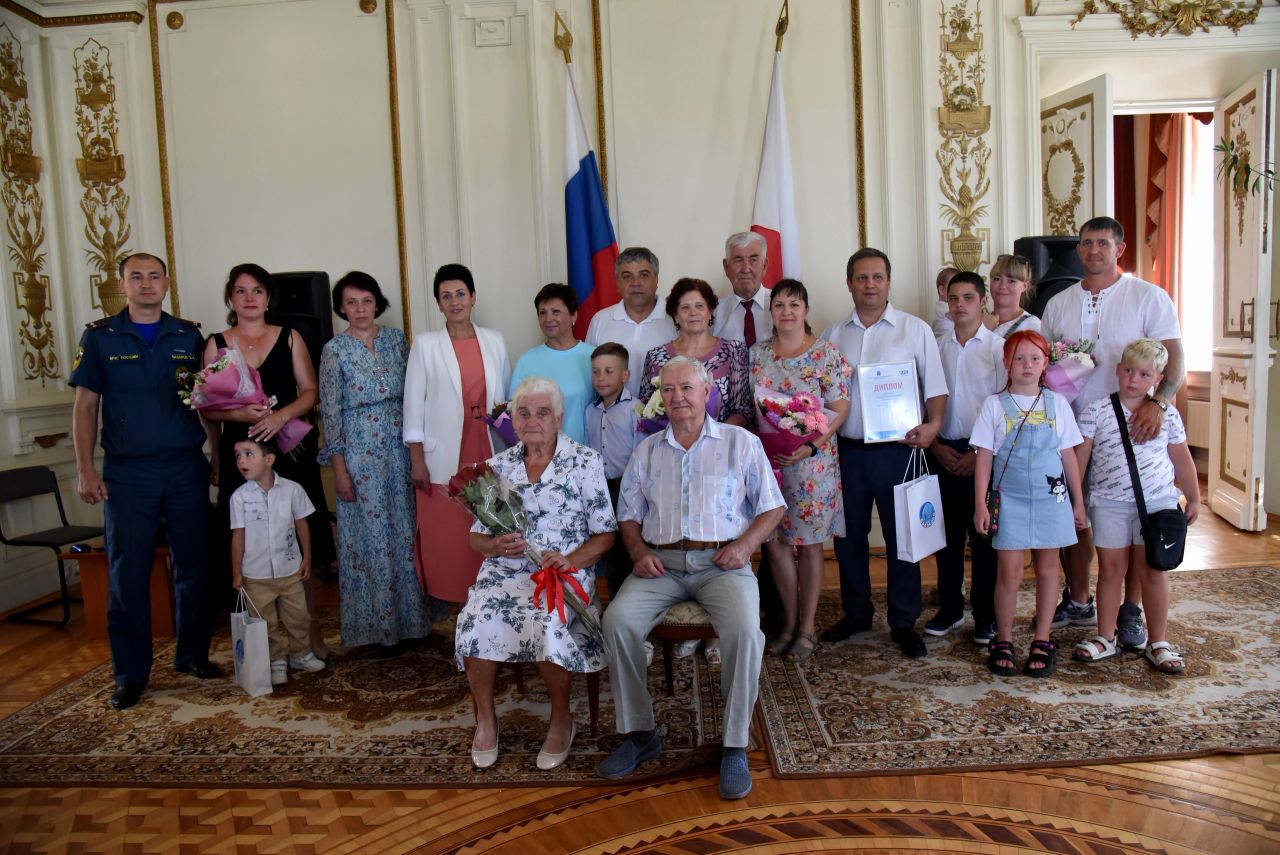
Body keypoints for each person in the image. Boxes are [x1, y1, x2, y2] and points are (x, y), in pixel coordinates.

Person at [598, 357, 785, 800]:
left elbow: (773, 506)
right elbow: (627, 515)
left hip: (723, 563)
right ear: (660, 397)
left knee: (744, 630)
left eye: (687, 388)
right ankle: (641, 734)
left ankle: (735, 744)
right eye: (669, 390)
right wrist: (639, 551)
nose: (677, 397)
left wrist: (743, 547)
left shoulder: (741, 443)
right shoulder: (646, 452)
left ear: (707, 392)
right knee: (617, 622)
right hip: (659, 564)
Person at [70, 252, 221, 711]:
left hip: (183, 466)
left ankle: (192, 655)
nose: (147, 284)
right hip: (128, 472)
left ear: (167, 282)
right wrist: (85, 468)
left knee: (194, 568)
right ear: (122, 284)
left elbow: (204, 400)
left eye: (154, 276)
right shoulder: (101, 338)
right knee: (127, 574)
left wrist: (213, 451)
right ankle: (131, 673)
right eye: (136, 277)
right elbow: (85, 407)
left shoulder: (188, 335)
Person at [457, 377, 616, 771]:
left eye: (542, 412)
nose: (533, 421)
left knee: (547, 617)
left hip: (561, 572)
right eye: (523, 413)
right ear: (511, 419)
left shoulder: (584, 462)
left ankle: (562, 718)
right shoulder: (497, 467)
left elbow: (606, 534)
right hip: (503, 572)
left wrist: (571, 560)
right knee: (477, 617)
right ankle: (486, 719)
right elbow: (476, 537)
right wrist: (494, 547)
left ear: (559, 418)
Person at [1041, 217, 1184, 648]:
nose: (1093, 251)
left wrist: (1160, 403)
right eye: (1086, 243)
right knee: (1078, 513)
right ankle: (1080, 598)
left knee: (1135, 520)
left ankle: (1131, 610)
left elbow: (1173, 357)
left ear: (1119, 249)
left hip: (1133, 428)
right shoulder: (1059, 303)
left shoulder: (1147, 297)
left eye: (1103, 243)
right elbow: (1047, 364)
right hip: (1075, 427)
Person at [819, 248, 948, 659]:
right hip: (848, 453)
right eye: (861, 277)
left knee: (902, 537)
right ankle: (856, 613)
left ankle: (903, 620)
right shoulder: (831, 335)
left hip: (900, 451)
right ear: (849, 283)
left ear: (888, 282)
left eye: (877, 277)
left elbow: (936, 388)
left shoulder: (914, 330)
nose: (870, 284)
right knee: (849, 537)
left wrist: (934, 426)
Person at [203, 263, 334, 658]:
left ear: (268, 297)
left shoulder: (290, 337)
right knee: (248, 542)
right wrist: (237, 418)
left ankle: (308, 637)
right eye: (241, 291)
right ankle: (262, 645)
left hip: (288, 452)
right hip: (240, 456)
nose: (249, 298)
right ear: (230, 298)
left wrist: (281, 415)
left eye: (257, 291)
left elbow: (311, 392)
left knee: (296, 537)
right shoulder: (216, 344)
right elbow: (207, 407)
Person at [318, 272, 436, 651]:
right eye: (351, 302)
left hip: (400, 449)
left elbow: (416, 392)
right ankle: (378, 629)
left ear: (376, 303)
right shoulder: (334, 350)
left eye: (366, 301)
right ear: (341, 307)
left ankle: (413, 624)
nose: (360, 309)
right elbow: (331, 413)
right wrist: (339, 469)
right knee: (370, 539)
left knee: (404, 532)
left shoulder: (396, 340)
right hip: (359, 453)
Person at [1072, 339, 1200, 672]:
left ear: (1157, 379)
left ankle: (1158, 641)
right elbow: (1080, 458)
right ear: (1117, 370)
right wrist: (1077, 502)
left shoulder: (1167, 414)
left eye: (1144, 374)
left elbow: (1181, 457)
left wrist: (1194, 494)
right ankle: (1105, 636)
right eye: (1128, 370)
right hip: (1109, 503)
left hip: (1156, 505)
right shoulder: (1097, 411)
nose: (1133, 379)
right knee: (1110, 570)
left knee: (1152, 572)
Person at [972, 331, 1086, 678]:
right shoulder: (994, 405)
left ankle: (1042, 638)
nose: (1027, 365)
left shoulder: (1057, 404)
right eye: (1019, 358)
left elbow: (1068, 456)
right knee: (1009, 571)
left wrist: (1078, 502)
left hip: (1052, 500)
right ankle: (1003, 639)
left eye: (1034, 358)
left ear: (1045, 364)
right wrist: (981, 503)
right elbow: (985, 458)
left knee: (1049, 568)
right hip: (1011, 500)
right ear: (1007, 363)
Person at [749, 279, 851, 662]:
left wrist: (810, 445)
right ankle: (789, 624)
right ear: (771, 312)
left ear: (806, 310)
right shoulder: (757, 355)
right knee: (774, 545)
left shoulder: (826, 354)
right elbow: (756, 406)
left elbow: (839, 409)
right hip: (770, 465)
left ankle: (807, 628)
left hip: (813, 464)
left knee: (809, 547)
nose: (787, 311)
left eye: (794, 304)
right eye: (779, 305)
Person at [403, 263, 510, 603]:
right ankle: (455, 604)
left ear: (473, 297)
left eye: (460, 294)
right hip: (444, 453)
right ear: (438, 304)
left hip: (489, 444)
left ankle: (489, 601)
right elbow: (413, 406)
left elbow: (504, 398)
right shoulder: (426, 344)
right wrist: (416, 459)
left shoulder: (494, 340)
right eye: (446, 296)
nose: (454, 302)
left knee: (490, 523)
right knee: (449, 535)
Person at [927, 271, 1005, 645]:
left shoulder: (998, 348)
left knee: (984, 539)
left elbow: (1006, 404)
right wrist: (936, 445)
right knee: (946, 536)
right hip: (942, 449)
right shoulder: (935, 345)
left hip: (984, 455)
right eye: (953, 298)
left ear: (982, 301)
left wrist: (979, 454)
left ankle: (986, 615)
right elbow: (925, 399)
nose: (959, 305)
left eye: (968, 298)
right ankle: (950, 607)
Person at [229, 437, 325, 685]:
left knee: (299, 616)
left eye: (249, 454)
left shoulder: (293, 490)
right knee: (265, 622)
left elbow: (301, 523)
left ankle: (301, 654)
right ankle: (275, 661)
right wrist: (236, 572)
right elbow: (238, 536)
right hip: (256, 575)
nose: (241, 460)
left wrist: (307, 557)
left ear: (269, 460)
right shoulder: (239, 498)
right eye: (238, 455)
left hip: (289, 570)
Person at [640, 277, 752, 428]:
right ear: (675, 315)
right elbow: (646, 408)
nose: (693, 313)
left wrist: (713, 439)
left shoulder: (734, 351)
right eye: (685, 308)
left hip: (721, 446)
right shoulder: (655, 357)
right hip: (672, 445)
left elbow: (742, 410)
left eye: (700, 306)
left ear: (710, 312)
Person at [583, 342, 640, 598]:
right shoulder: (590, 411)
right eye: (596, 372)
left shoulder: (635, 409)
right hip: (599, 489)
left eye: (608, 371)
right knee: (602, 547)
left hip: (626, 488)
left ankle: (628, 611)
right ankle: (605, 605)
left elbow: (641, 456)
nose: (600, 378)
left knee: (626, 553)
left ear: (625, 375)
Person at [509, 283, 595, 443]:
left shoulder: (592, 357)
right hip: (539, 456)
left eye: (556, 312)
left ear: (574, 315)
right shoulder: (526, 361)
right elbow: (514, 414)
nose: (548, 319)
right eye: (542, 313)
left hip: (585, 456)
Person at [585, 247, 676, 397]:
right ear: (617, 283)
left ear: (657, 280)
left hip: (663, 418)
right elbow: (592, 374)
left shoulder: (675, 318)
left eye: (644, 275)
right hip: (611, 415)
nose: (635, 283)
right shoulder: (600, 320)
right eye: (627, 276)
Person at [713, 231, 773, 346]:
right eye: (738, 260)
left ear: (765, 265)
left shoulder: (783, 309)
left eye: (753, 260)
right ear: (726, 267)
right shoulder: (713, 314)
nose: (746, 269)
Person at [983, 254, 1041, 338]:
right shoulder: (978, 322)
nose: (1002, 286)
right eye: (996, 279)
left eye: (1011, 281)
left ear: (1025, 286)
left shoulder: (1033, 326)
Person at [930, 265, 960, 338]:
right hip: (943, 341)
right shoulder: (943, 306)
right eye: (955, 287)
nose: (959, 291)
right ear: (941, 290)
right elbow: (958, 317)